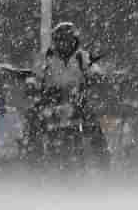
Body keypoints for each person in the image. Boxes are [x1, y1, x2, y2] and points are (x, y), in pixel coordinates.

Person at [29, 22, 109, 167]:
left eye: (67, 40)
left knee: (92, 123)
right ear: (55, 41)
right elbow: (36, 75)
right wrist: (34, 84)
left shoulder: (81, 56)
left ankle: (102, 161)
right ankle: (33, 160)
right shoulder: (48, 57)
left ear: (74, 41)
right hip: (52, 99)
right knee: (35, 121)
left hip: (76, 99)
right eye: (60, 40)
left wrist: (95, 75)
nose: (63, 44)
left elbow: (93, 68)